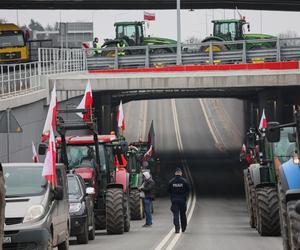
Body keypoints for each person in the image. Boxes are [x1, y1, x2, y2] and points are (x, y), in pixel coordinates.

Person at [168, 168, 190, 233]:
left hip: (174, 201)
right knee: (183, 214)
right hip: (182, 201)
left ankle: (177, 228)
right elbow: (188, 190)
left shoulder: (171, 181)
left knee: (176, 215)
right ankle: (183, 228)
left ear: (175, 173)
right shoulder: (184, 181)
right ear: (181, 173)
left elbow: (168, 190)